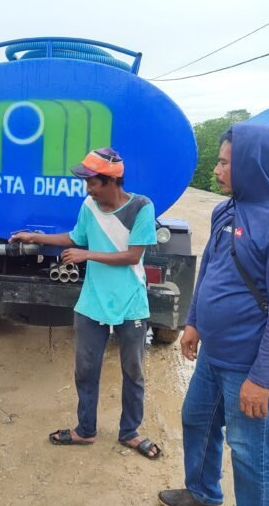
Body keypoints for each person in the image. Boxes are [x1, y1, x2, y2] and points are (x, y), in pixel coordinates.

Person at [158, 124, 269, 506]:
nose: (216, 171)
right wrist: (193, 321)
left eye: (226, 163)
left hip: (250, 365)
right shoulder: (226, 210)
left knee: (251, 451)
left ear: (252, 165)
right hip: (214, 354)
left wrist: (262, 379)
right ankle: (203, 491)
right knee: (197, 419)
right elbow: (210, 268)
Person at [10, 147, 161, 458]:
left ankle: (130, 432)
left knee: (133, 370)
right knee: (85, 369)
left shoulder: (141, 207)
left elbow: (133, 256)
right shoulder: (89, 205)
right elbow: (75, 237)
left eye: (92, 182)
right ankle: (86, 430)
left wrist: (87, 255)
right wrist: (35, 237)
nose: (87, 188)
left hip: (130, 302)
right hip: (93, 301)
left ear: (111, 181)